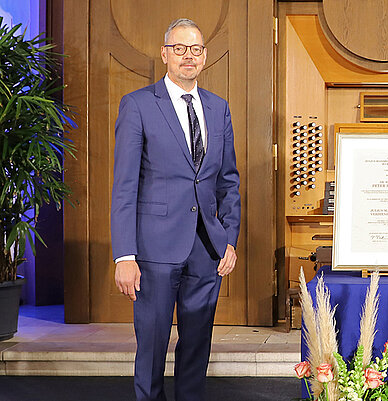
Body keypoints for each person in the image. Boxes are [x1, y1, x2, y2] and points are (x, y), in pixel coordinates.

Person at [110, 18, 241, 401]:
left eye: (196, 49)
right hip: (152, 253)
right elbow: (124, 186)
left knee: (197, 347)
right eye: (180, 49)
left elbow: (228, 181)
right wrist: (124, 255)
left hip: (207, 250)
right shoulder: (137, 105)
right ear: (165, 53)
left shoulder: (218, 109)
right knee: (151, 348)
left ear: (204, 57)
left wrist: (228, 239)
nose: (188, 56)